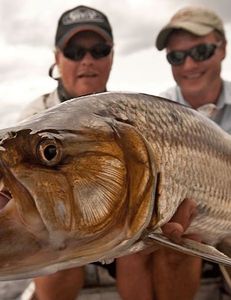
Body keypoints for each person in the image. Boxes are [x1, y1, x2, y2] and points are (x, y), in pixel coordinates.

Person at [18, 5, 199, 300]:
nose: (87, 60)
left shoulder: (127, 114)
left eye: (99, 50)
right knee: (54, 249)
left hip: (119, 225)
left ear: (112, 56)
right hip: (63, 228)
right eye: (75, 51)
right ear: (57, 59)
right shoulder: (33, 120)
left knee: (147, 244)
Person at [154, 5, 231, 300]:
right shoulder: (156, 111)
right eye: (176, 56)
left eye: (200, 52)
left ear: (222, 48)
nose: (188, 65)